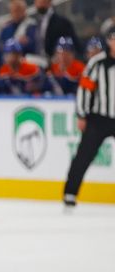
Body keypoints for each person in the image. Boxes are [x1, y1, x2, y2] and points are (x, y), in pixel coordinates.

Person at [63, 27, 115, 209]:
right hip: (98, 118)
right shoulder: (96, 63)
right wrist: (81, 115)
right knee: (83, 156)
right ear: (108, 41)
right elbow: (85, 90)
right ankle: (70, 193)